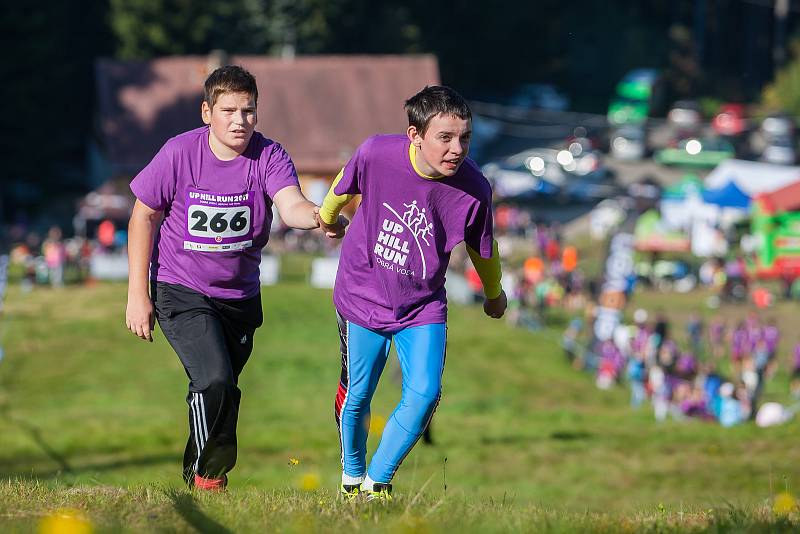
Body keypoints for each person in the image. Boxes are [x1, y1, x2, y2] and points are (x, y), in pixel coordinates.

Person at [125, 65, 345, 490]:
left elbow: (291, 204)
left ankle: (195, 472)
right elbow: (142, 216)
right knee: (215, 380)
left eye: (248, 111)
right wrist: (138, 294)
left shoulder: (268, 156)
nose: (239, 121)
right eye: (228, 111)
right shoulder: (179, 153)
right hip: (180, 288)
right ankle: (211, 478)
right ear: (207, 112)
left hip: (240, 299)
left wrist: (319, 217)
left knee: (219, 390)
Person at [316, 86, 507, 500]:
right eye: (446, 137)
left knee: (424, 395)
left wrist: (494, 293)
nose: (457, 148)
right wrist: (328, 218)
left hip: (422, 305)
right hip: (362, 296)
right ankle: (351, 476)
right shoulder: (376, 154)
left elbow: (482, 249)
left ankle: (376, 485)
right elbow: (342, 185)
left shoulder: (474, 188)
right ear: (415, 135)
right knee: (359, 394)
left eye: (465, 138)